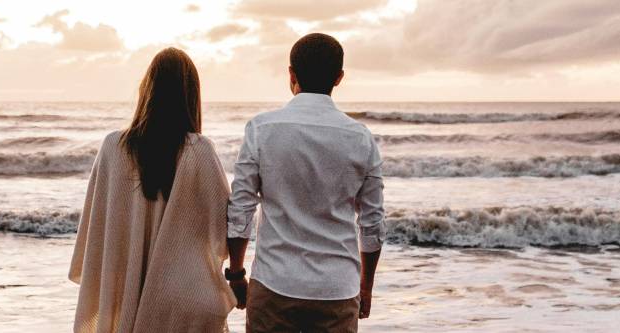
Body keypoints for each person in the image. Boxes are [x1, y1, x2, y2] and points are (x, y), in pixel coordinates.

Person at [225, 33, 386, 332]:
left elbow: (241, 208)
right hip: (336, 289)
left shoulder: (262, 129)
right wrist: (365, 287)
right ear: (338, 78)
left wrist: (235, 273)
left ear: (291, 74)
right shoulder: (360, 138)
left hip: (274, 282)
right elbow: (372, 222)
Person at [68, 47, 236, 332]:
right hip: (186, 296)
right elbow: (224, 227)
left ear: (147, 89)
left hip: (128, 293)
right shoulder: (200, 149)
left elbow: (97, 229)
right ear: (191, 95)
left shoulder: (113, 146)